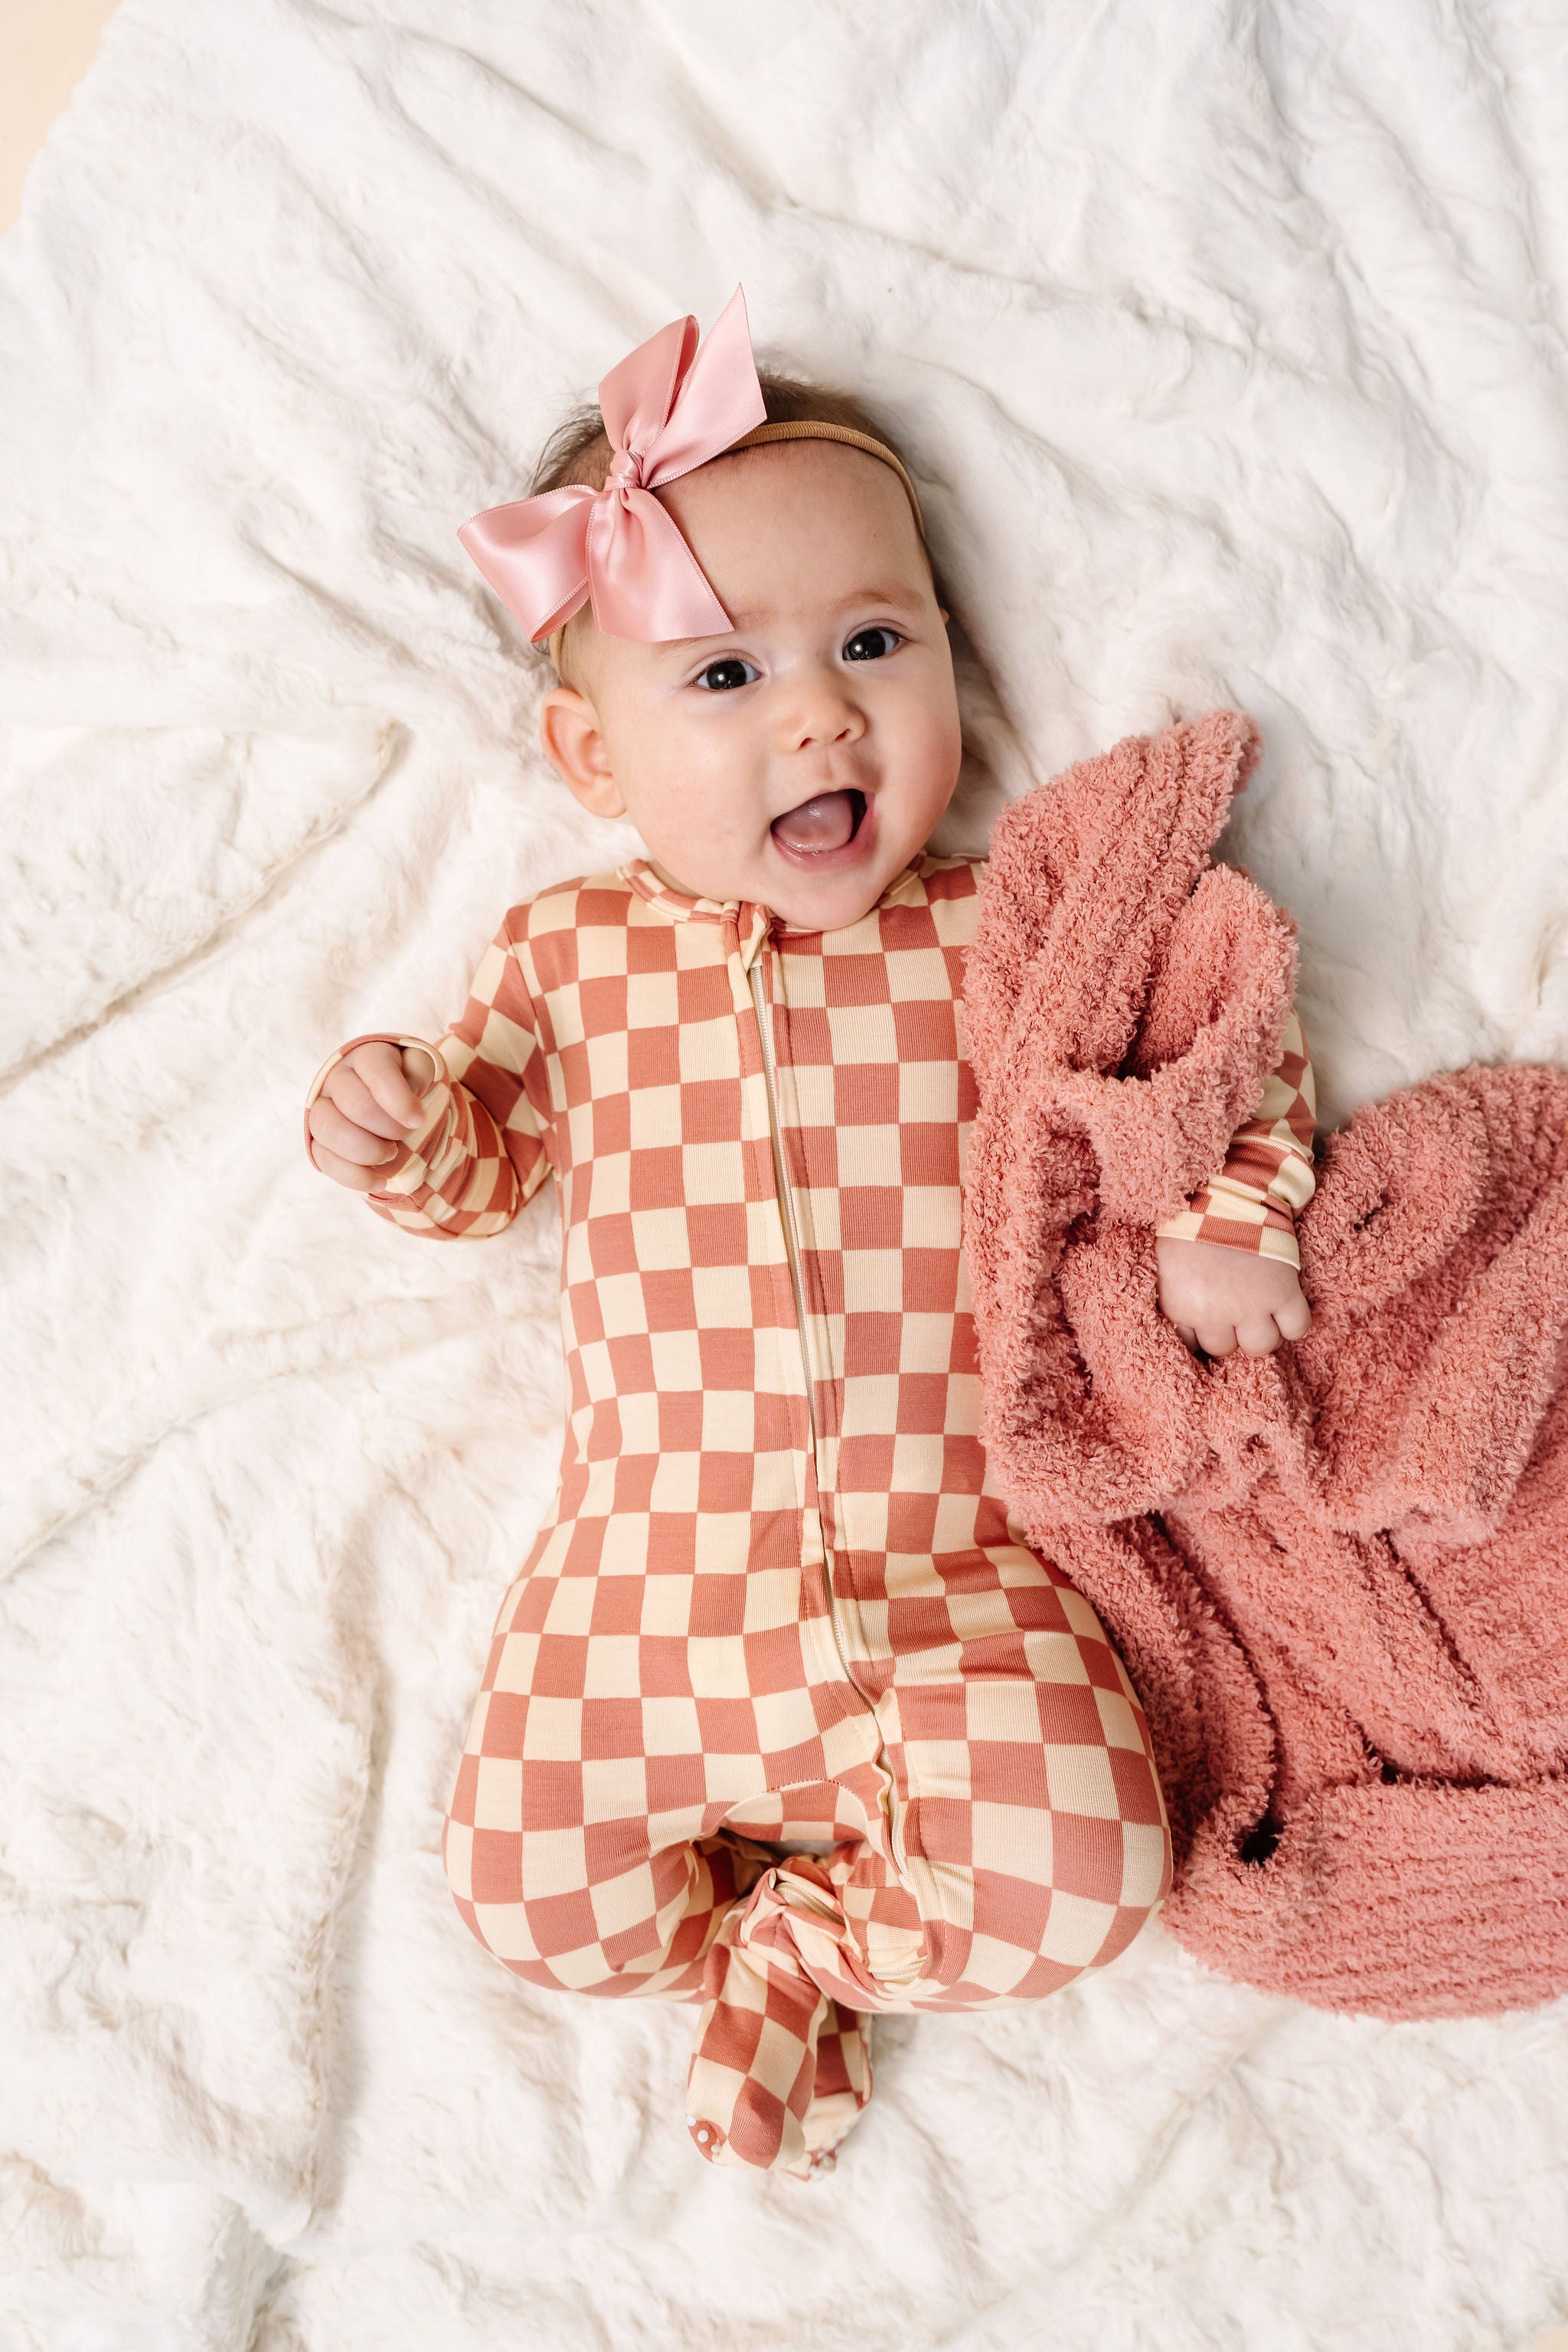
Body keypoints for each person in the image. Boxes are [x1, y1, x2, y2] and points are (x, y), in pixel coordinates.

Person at [302, 291, 1317, 2177]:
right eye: (721, 678)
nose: (821, 711)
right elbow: (484, 1170)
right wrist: (401, 1122)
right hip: (642, 1594)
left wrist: (1222, 1208)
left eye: (874, 641)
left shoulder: (997, 934)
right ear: (593, 765)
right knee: (528, 1902)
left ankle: (807, 1953)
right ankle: (750, 1942)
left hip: (966, 1584)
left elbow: (1196, 1043)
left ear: (951, 658)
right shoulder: (572, 956)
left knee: (1093, 1876)